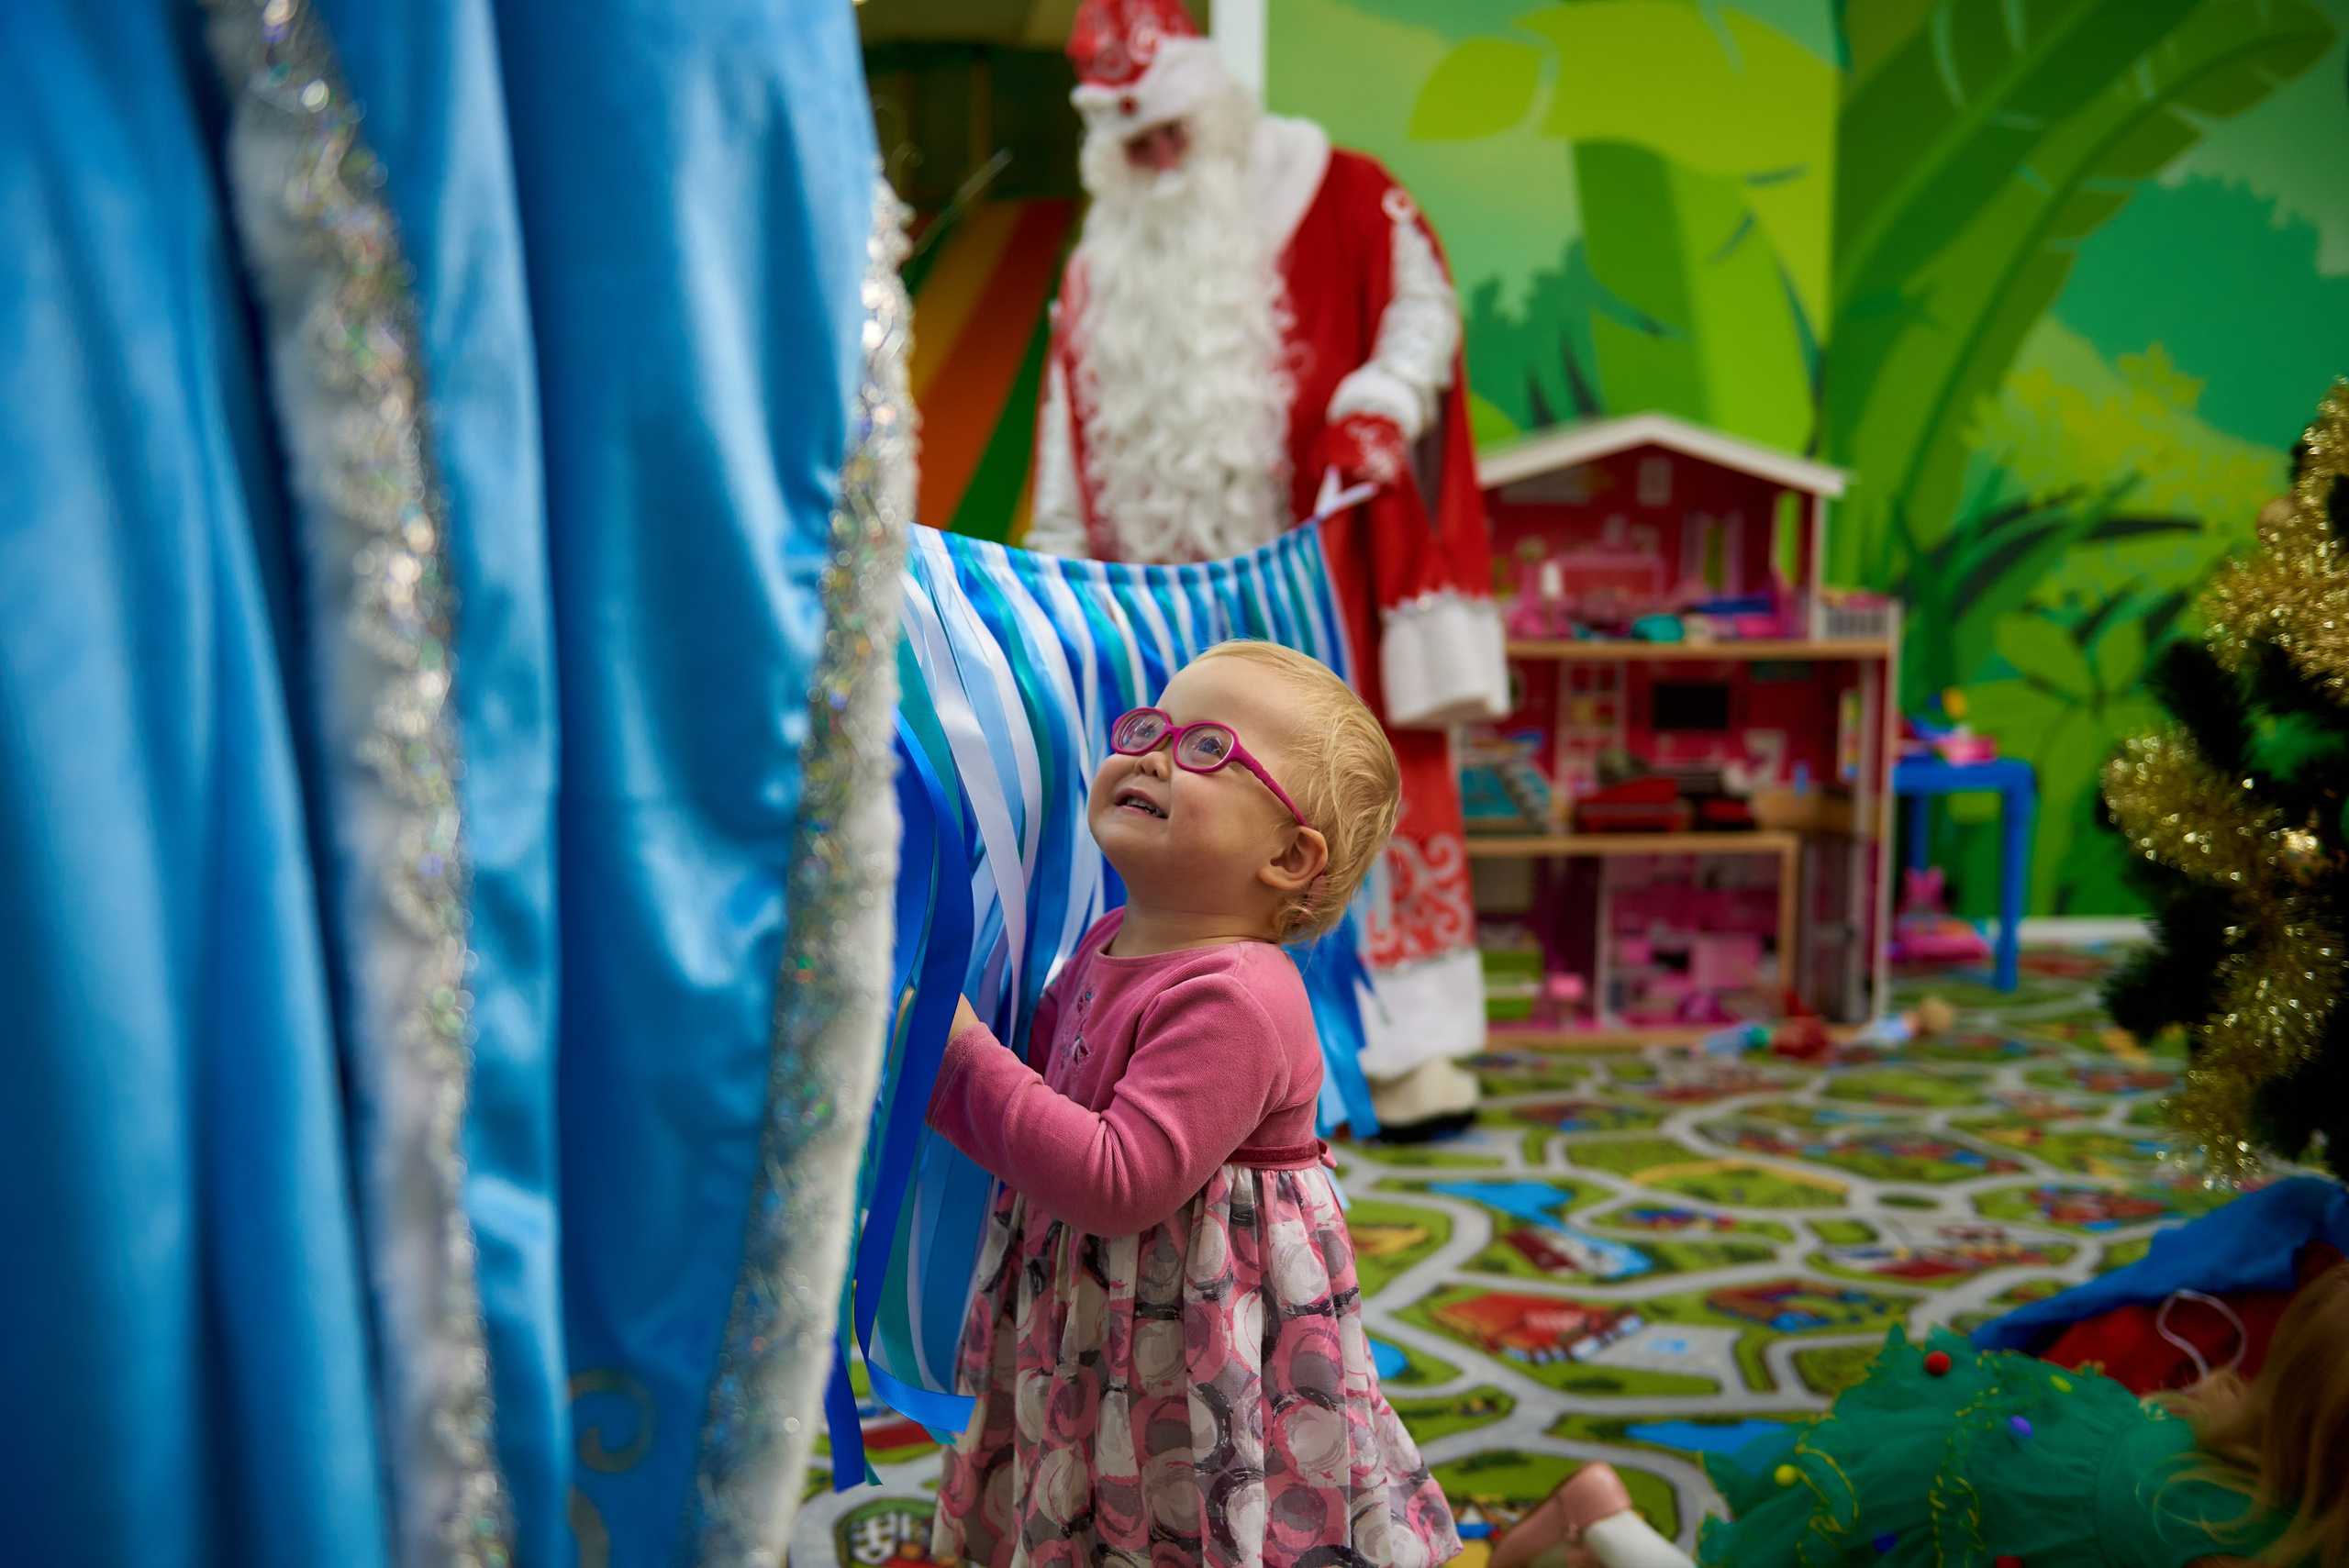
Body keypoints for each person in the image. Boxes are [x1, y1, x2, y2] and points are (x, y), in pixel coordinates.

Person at [1022, 0, 1510, 1136]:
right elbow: (1064, 432)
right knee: (1182, 826)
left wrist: (1379, 398)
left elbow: (1419, 314)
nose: (1151, 158)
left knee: (1335, 794)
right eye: (1126, 143)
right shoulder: (1097, 269)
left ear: (1213, 104)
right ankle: (1172, 1054)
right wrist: (1056, 568)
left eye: (1167, 134)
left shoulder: (1337, 191)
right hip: (1161, 614)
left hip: (1315, 576)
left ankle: (1402, 1051)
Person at [922, 640, 1461, 1568]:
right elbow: (1046, 1094)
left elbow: (1117, 1179)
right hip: (1110, 1305)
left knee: (1195, 1501)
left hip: (1197, 1331)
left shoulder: (1237, 991)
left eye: (1208, 746)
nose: (1153, 752)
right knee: (1114, 1475)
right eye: (1151, 726)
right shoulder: (1107, 939)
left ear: (1290, 855)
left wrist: (952, 1053)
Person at [1493, 1262, 2349, 1568]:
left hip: (2026, 1464)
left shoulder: (2270, 1486)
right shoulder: (2237, 1543)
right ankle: (1601, 1515)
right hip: (1955, 1497)